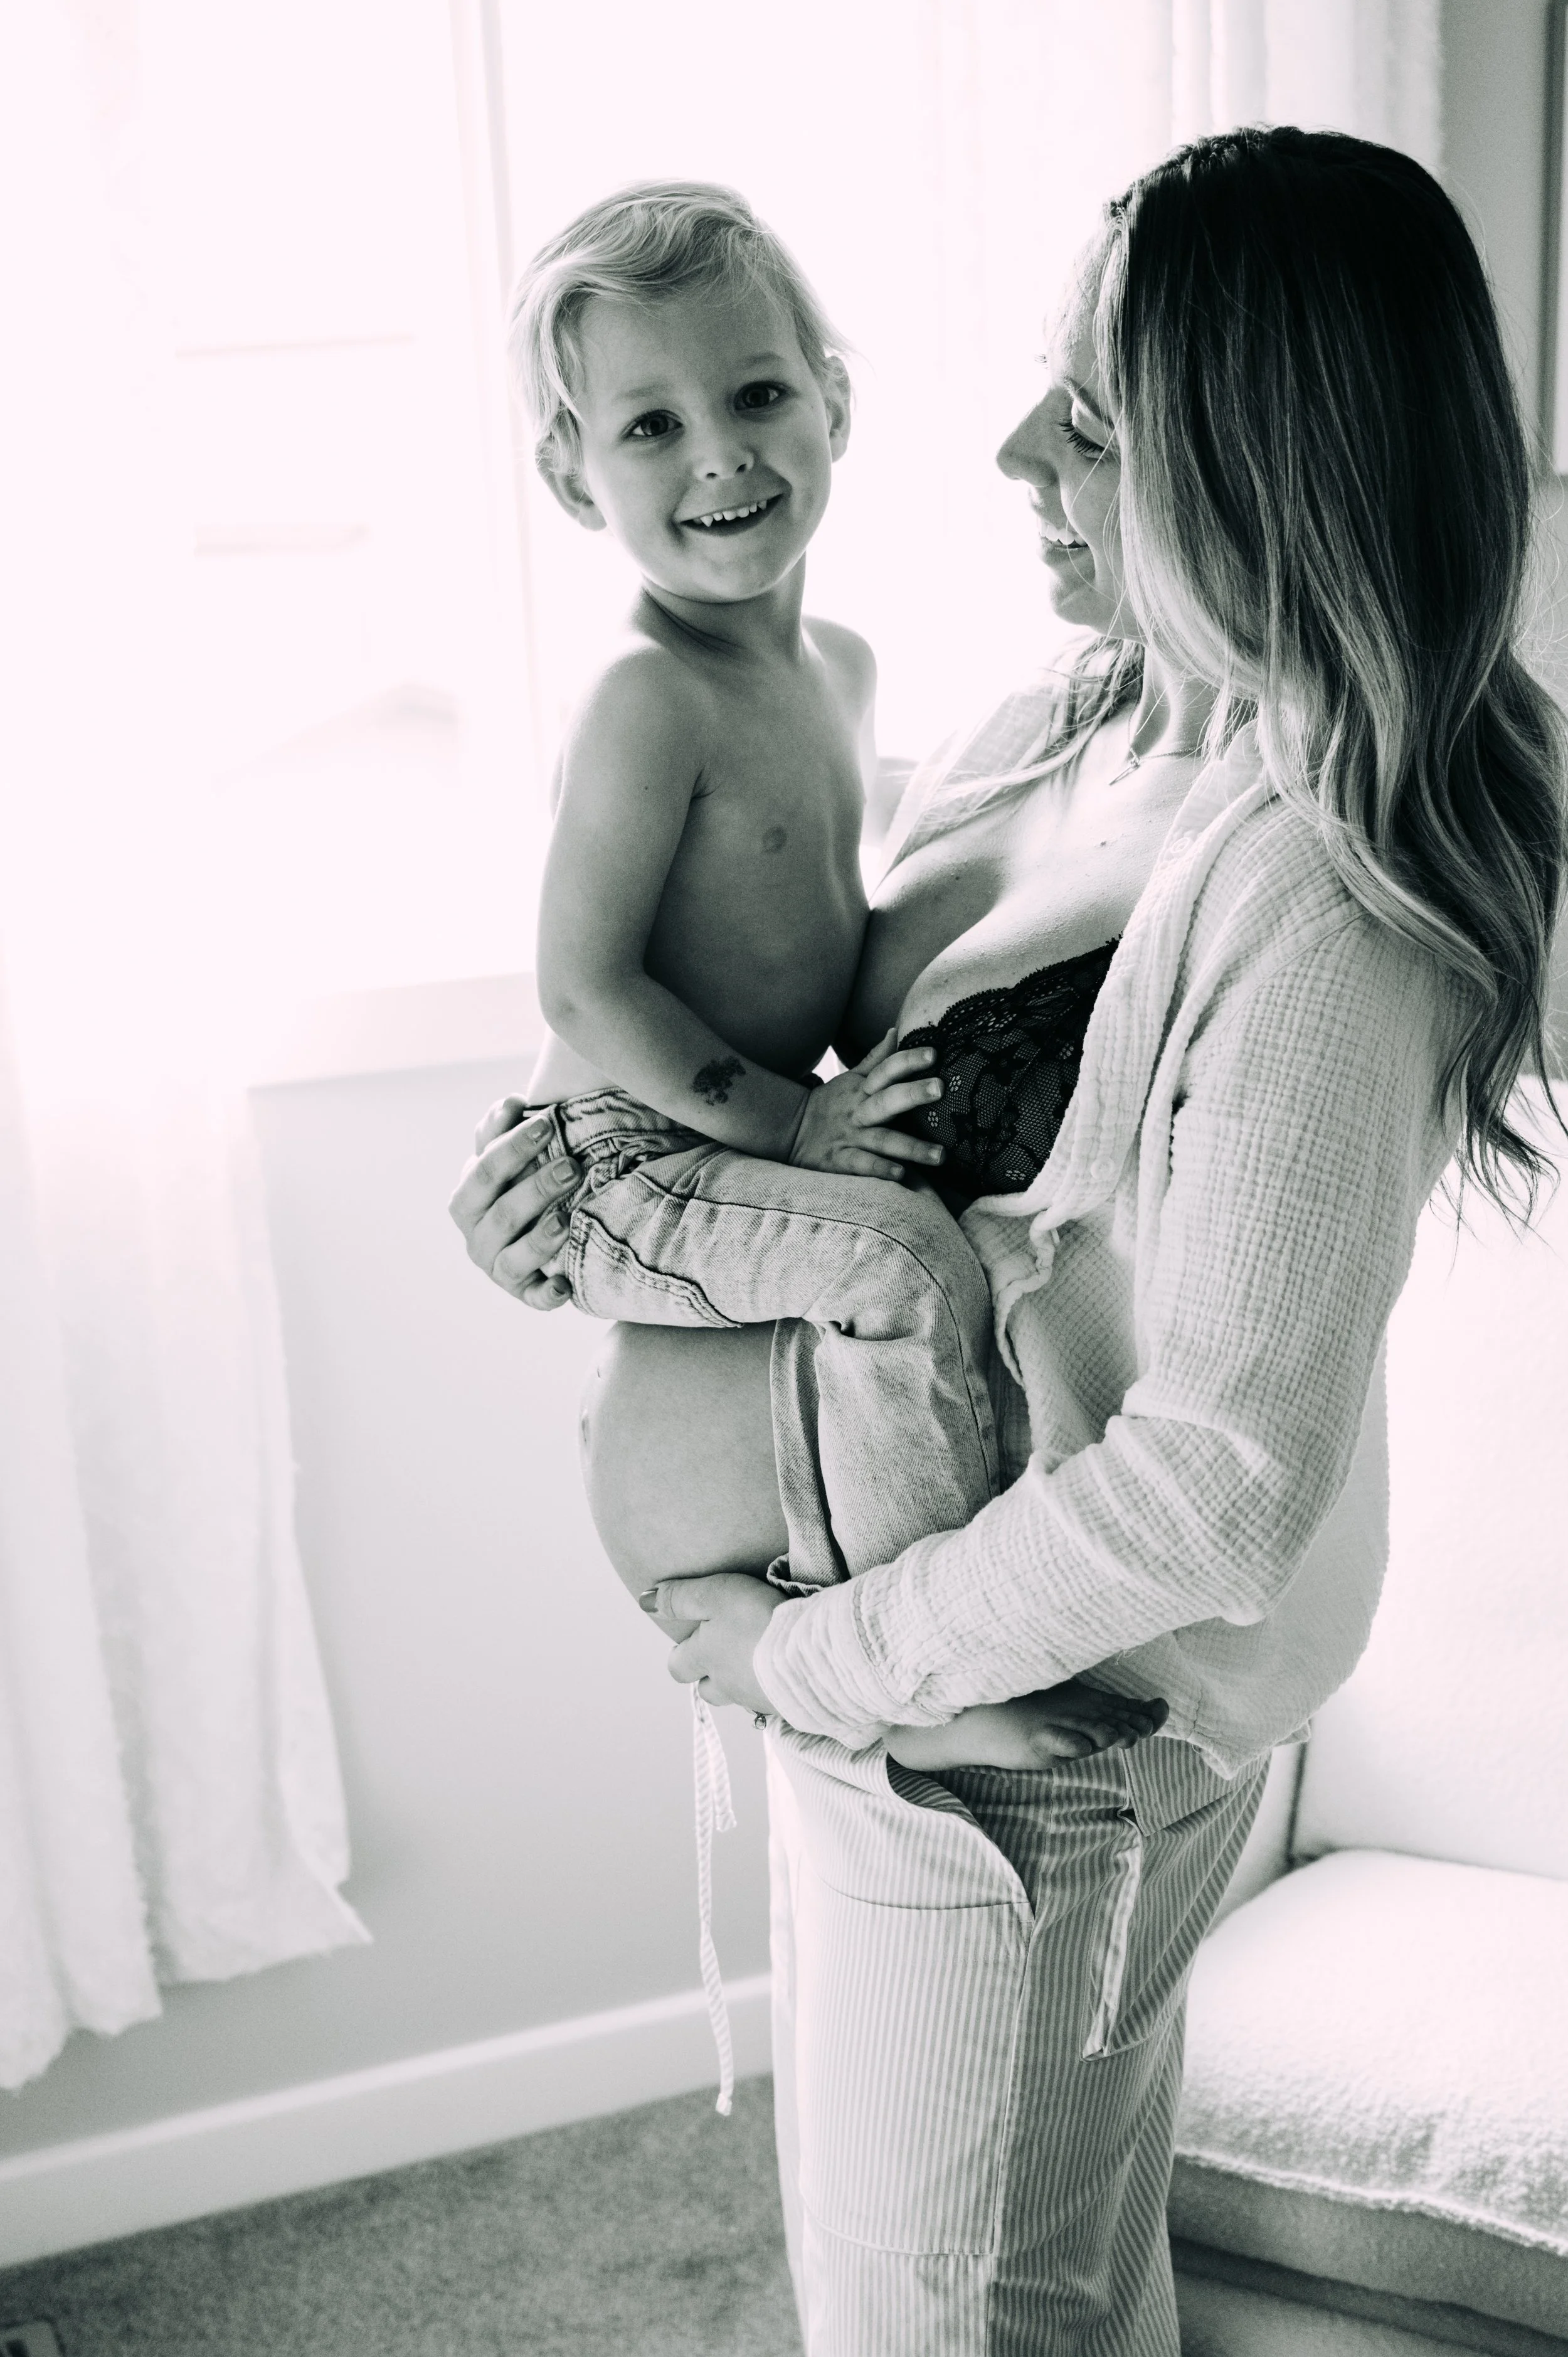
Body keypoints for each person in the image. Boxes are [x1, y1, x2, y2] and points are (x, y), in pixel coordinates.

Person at [452, 129, 1565, 2354]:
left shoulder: (1324, 897)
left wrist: (814, 1663)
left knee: (952, 2319)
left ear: (1254, 471)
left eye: (1091, 418)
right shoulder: (1054, 716)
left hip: (1012, 1746)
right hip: (884, 1680)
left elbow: (1217, 1483)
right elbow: (821, 1096)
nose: (1006, 456)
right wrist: (578, 1201)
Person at [512, 180, 1163, 1767]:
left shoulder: (841, 670)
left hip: (707, 1138)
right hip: (620, 1153)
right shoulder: (643, 698)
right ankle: (913, 1678)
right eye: (649, 428)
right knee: (896, 1270)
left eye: (754, 397)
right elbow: (583, 988)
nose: (718, 456)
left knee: (899, 1277)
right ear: (573, 477)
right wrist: (792, 1126)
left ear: (834, 404)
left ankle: (891, 1618)